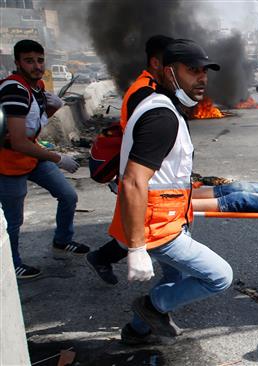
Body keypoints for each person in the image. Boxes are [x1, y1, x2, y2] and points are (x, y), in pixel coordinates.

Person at [111, 39, 232, 345]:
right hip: (156, 228)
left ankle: (136, 330)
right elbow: (134, 181)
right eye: (192, 70)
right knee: (220, 276)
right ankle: (152, 306)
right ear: (169, 72)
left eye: (204, 71)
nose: (202, 78)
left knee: (175, 277)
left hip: (168, 219)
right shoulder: (161, 116)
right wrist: (137, 249)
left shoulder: (163, 106)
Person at [85, 35, 174, 285]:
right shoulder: (144, 92)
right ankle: (166, 291)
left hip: (141, 169)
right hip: (140, 171)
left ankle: (101, 258)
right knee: (146, 225)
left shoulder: (149, 88)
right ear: (157, 62)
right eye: (174, 62)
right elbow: (140, 139)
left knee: (138, 225)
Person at [0, 39, 88, 279]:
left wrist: (51, 108)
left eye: (40, 60)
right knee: (12, 221)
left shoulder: (36, 86)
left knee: (68, 195)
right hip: (8, 163)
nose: (36, 66)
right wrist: (58, 158)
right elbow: (18, 141)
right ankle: (11, 265)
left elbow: (33, 125)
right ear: (17, 63)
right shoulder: (14, 90)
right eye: (29, 61)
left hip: (30, 156)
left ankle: (62, 240)